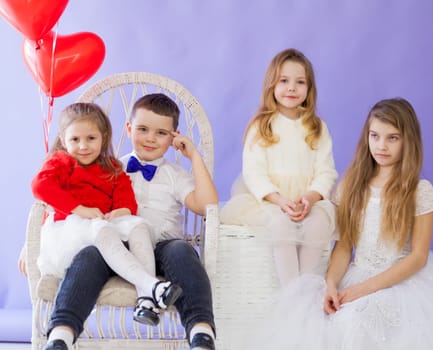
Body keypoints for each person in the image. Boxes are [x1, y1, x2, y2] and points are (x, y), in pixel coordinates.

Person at [242, 98, 433, 349]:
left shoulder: (419, 190)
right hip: (355, 275)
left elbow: (417, 258)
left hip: (399, 279)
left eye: (392, 138)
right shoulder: (351, 186)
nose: (381, 145)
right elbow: (343, 248)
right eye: (375, 136)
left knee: (372, 327)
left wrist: (364, 290)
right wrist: (331, 284)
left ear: (408, 141)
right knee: (324, 326)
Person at [21, 94, 218, 350]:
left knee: (183, 250)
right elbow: (61, 200)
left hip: (163, 246)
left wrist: (194, 157)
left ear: (173, 138)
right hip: (115, 245)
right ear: (128, 129)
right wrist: (33, 244)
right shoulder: (111, 167)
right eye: (143, 129)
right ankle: (61, 335)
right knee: (88, 255)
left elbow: (206, 206)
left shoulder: (176, 175)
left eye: (161, 133)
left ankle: (201, 333)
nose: (150, 138)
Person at [31, 102, 181, 329]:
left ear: (103, 137)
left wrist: (120, 211)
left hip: (104, 225)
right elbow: (40, 186)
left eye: (91, 138)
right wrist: (79, 209)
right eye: (75, 140)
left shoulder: (112, 167)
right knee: (102, 229)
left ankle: (145, 301)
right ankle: (151, 285)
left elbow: (127, 201)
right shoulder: (61, 162)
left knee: (138, 225)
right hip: (71, 231)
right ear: (63, 139)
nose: (83, 146)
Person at [220, 48, 338, 286]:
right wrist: (279, 200)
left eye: (300, 82)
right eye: (284, 81)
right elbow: (254, 172)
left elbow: (326, 171)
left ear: (309, 88)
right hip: (269, 200)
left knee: (318, 224)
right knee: (281, 224)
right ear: (271, 85)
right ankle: (291, 293)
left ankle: (306, 289)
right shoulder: (262, 126)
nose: (292, 88)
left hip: (307, 199)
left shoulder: (317, 128)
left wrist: (310, 198)